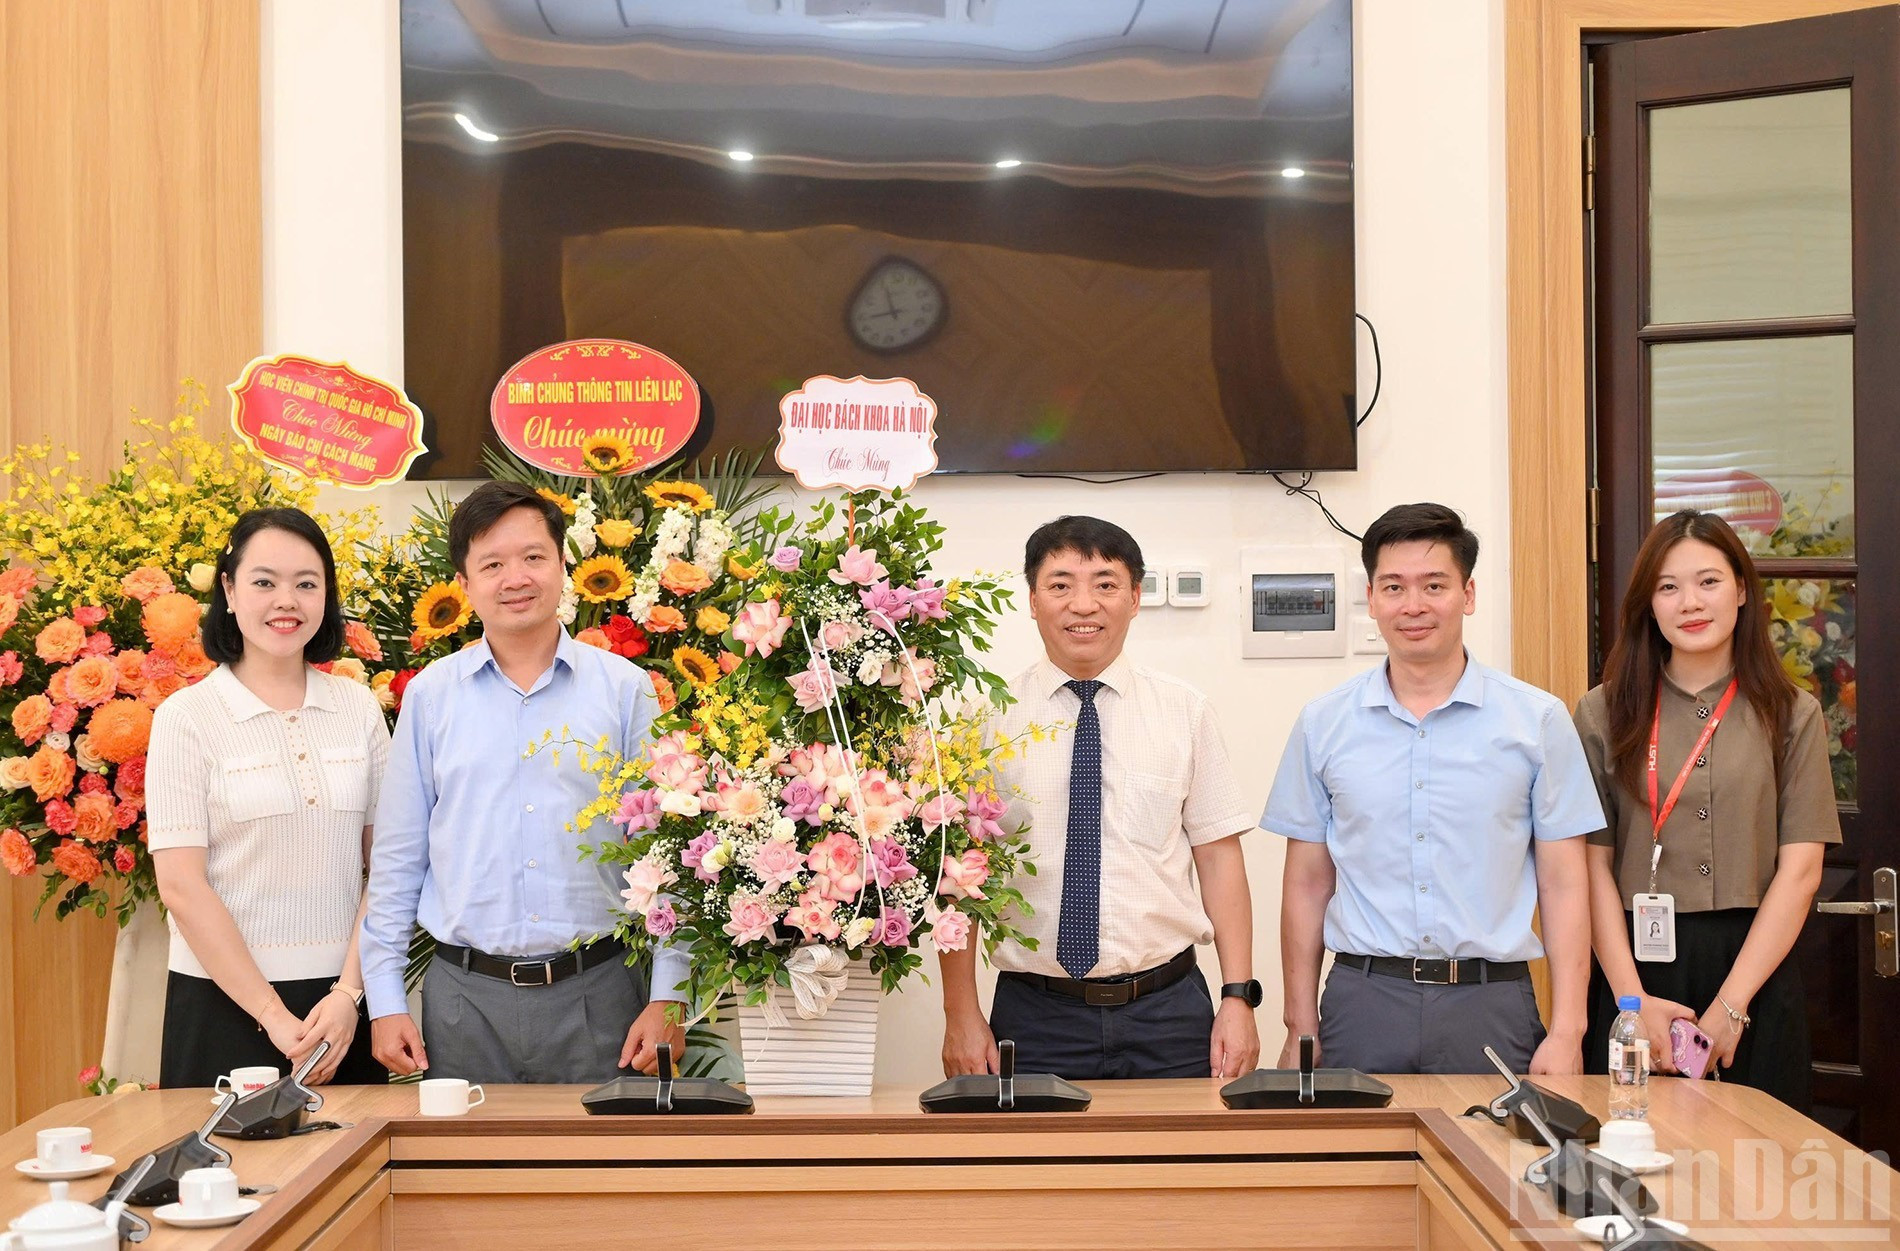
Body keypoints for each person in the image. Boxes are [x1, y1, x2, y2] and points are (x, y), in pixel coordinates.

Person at [359, 481, 687, 1084]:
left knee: (605, 1176)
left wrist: (671, 992)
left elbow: (666, 852)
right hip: (463, 1004)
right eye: (492, 564)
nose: (517, 578)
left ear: (564, 565)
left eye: (534, 557)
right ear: (465, 584)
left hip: (602, 993)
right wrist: (384, 999)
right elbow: (400, 857)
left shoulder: (624, 689)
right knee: (464, 1178)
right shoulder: (430, 697)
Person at [1263, 503, 1600, 1075]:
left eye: (1434, 585)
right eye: (1393, 587)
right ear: (1371, 599)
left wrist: (1569, 1028)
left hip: (1491, 1003)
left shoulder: (1537, 722)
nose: (1413, 605)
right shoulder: (1323, 724)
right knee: (1357, 1163)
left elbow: (1565, 883)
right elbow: (1306, 884)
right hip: (1363, 999)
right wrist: (1300, 1024)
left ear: (1467, 594)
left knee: (1499, 1163)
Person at [940, 515, 1261, 1081]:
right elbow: (957, 877)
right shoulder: (984, 719)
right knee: (1035, 1170)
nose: (1083, 605)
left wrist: (1238, 997)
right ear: (1033, 600)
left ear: (1135, 598)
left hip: (1170, 1012)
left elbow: (1220, 860)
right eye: (1060, 585)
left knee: (1182, 1169)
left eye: (1106, 584)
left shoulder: (1184, 712)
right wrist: (960, 1014)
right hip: (1033, 1014)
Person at [1574, 510, 1837, 1109]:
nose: (1689, 602)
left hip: (1755, 973)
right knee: (1631, 1165)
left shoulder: (1793, 713)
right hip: (1635, 968)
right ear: (1649, 604)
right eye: (1668, 587)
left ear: (1742, 590)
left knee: (1755, 1179)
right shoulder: (1600, 713)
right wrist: (1630, 1004)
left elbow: (1801, 871)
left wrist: (1730, 1008)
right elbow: (1589, 869)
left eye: (1708, 581)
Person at [148, 508, 389, 1088]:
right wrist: (273, 1017)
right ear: (229, 590)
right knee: (228, 1176)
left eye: (307, 584)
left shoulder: (358, 710)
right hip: (224, 1001)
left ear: (326, 598)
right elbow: (181, 884)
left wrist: (350, 995)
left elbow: (387, 868)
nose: (288, 600)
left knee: (356, 1176)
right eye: (264, 582)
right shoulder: (188, 717)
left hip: (341, 1010)